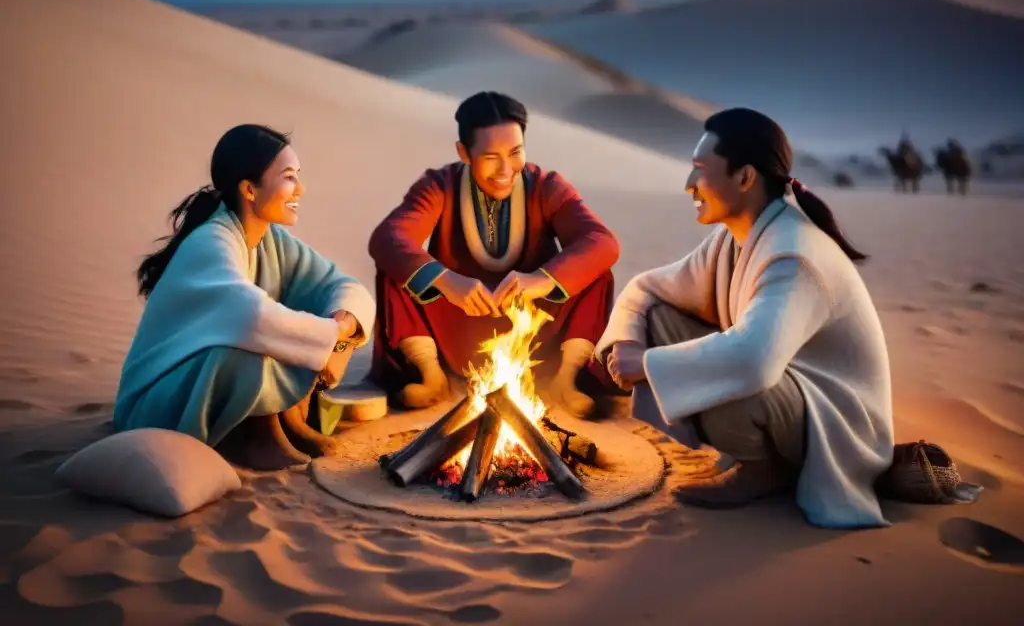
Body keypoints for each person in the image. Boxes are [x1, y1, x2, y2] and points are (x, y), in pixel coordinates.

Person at [594, 107, 894, 529]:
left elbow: (753, 361)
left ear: (745, 177)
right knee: (658, 318)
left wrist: (645, 364)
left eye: (700, 170)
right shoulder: (733, 239)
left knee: (730, 376)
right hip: (790, 395)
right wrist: (628, 343)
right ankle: (759, 457)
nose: (689, 185)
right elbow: (647, 288)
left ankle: (765, 470)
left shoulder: (792, 253)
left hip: (836, 425)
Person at [114, 124, 376, 470]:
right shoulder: (211, 242)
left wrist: (342, 324)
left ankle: (288, 421)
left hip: (196, 387)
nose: (300, 188)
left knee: (309, 318)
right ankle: (258, 435)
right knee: (256, 337)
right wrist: (330, 336)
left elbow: (342, 285)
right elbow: (249, 318)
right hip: (155, 404)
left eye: (298, 175)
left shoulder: (272, 240)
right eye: (288, 177)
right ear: (249, 189)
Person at [367, 91, 620, 418]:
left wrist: (540, 282)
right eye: (490, 156)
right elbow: (389, 237)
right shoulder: (439, 186)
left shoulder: (547, 186)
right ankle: (430, 375)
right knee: (397, 271)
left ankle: (565, 379)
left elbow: (602, 241)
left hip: (533, 329)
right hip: (458, 326)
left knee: (597, 272)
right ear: (464, 152)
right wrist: (446, 281)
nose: (505, 169)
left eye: (515, 153)